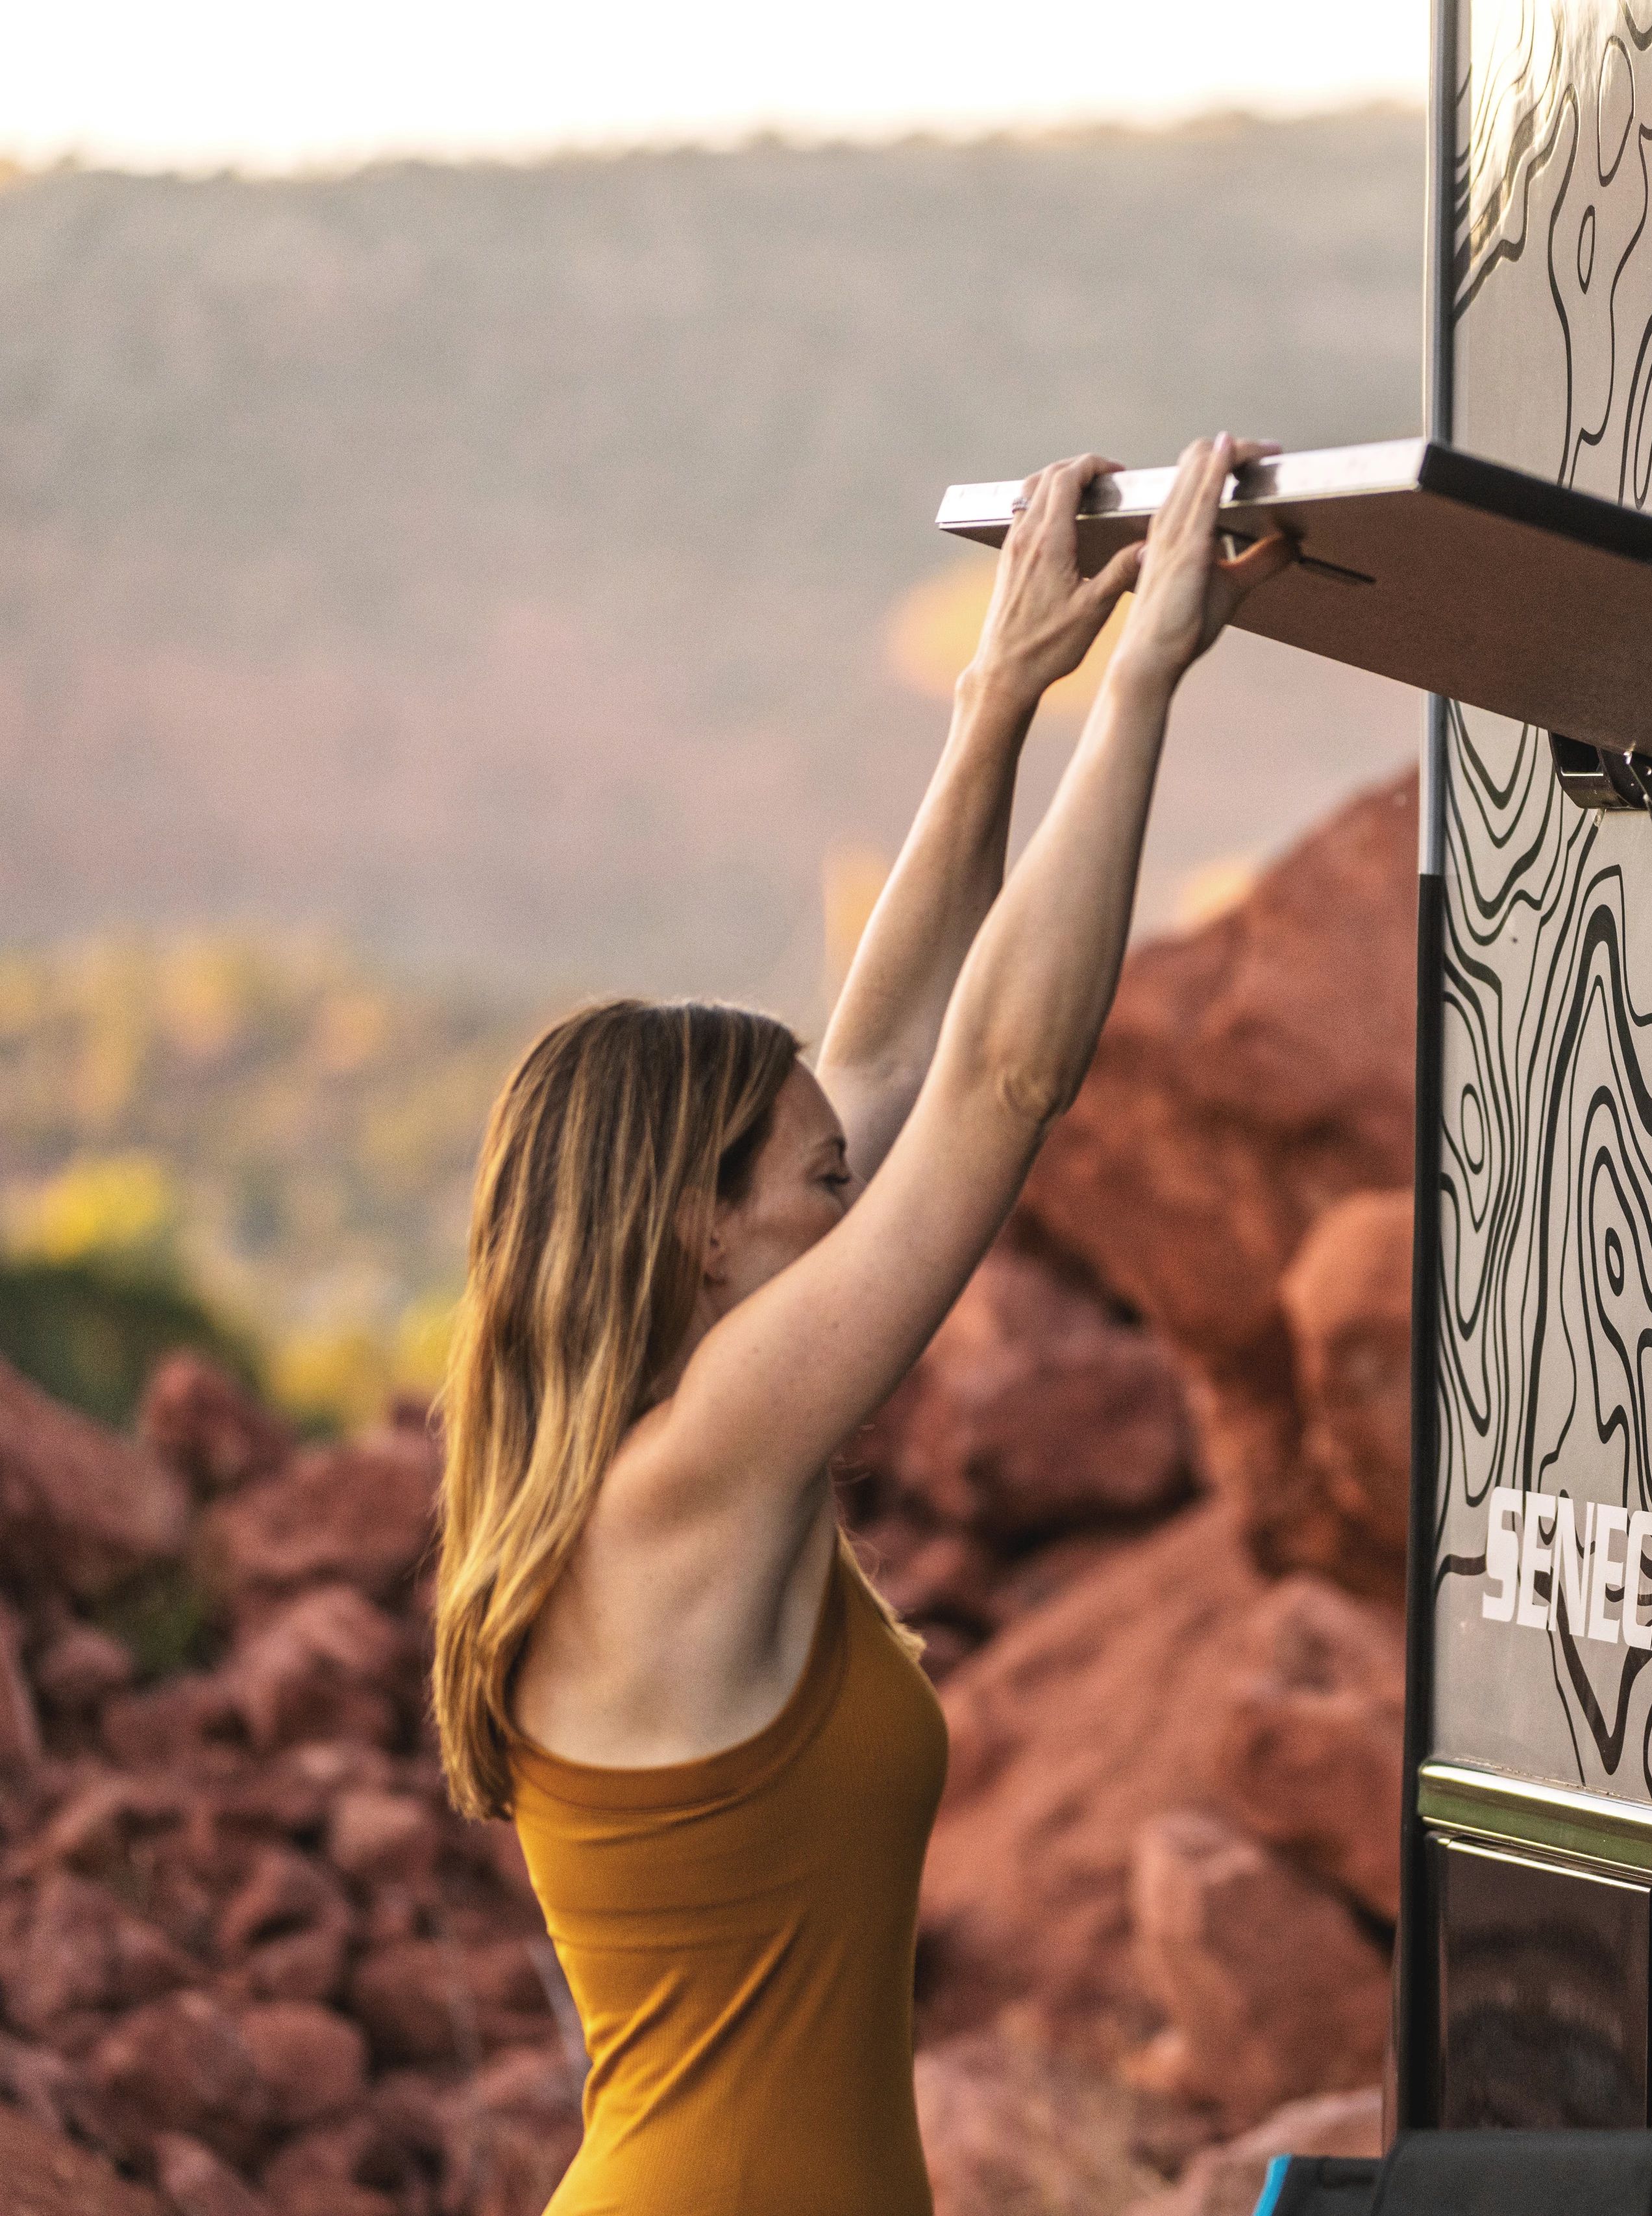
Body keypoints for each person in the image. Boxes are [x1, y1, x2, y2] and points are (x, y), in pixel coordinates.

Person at [427, 438, 1294, 2216]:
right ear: (698, 1238)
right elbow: (998, 1074)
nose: (851, 1202)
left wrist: (995, 706)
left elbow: (892, 1062)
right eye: (817, 1189)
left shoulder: (621, 1467)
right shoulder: (696, 1476)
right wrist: (1141, 690)